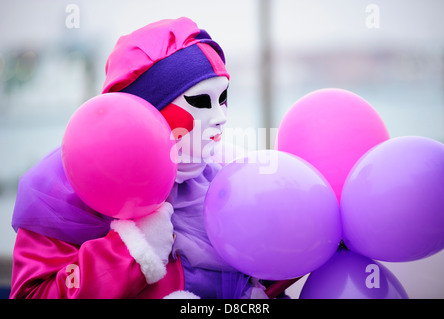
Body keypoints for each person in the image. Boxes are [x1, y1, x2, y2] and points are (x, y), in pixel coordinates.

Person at [10, 17, 270, 299]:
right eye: (200, 101)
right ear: (148, 112)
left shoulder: (228, 179)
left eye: (223, 98)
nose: (221, 118)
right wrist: (127, 252)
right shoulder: (71, 192)